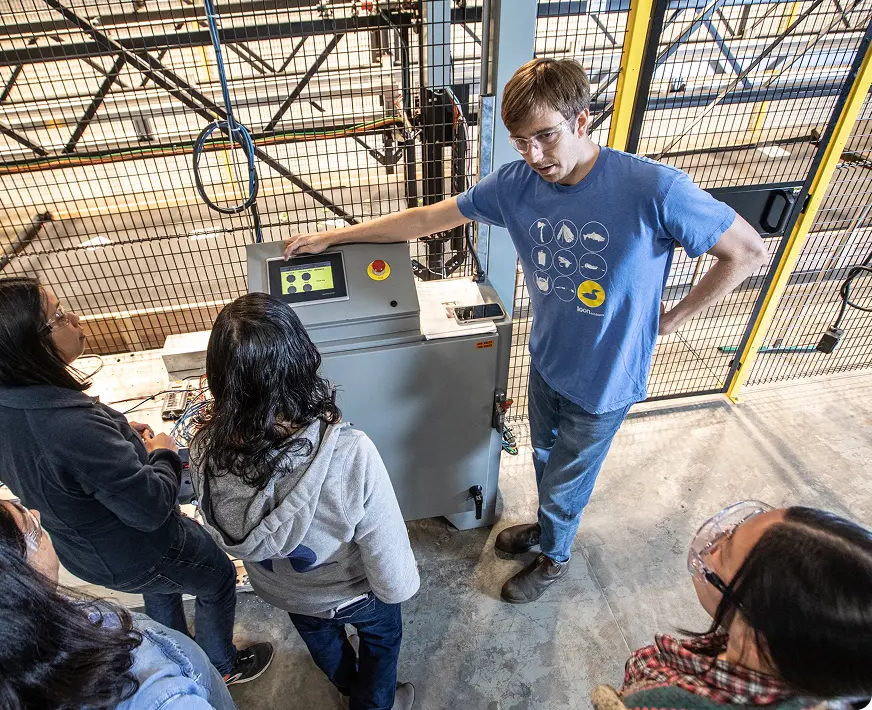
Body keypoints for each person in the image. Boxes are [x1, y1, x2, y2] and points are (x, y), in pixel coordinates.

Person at [284, 57, 769, 603]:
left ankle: (555, 557)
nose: (535, 156)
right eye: (521, 142)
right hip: (547, 361)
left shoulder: (653, 189)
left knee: (566, 482)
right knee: (543, 460)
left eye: (546, 136)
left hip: (606, 378)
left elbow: (747, 251)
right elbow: (428, 219)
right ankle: (548, 528)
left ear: (582, 121)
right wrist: (338, 236)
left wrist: (671, 319)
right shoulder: (517, 184)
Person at [0, 277, 273, 684]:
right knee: (218, 578)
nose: (74, 318)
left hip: (88, 547)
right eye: (58, 316)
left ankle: (178, 655)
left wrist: (116, 431)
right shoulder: (70, 429)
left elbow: (61, 462)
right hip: (140, 545)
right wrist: (163, 451)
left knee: (160, 586)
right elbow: (151, 508)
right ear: (32, 344)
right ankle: (222, 667)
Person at [190, 293, 420, 710]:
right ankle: (374, 703)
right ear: (300, 361)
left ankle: (346, 685)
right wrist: (396, 591)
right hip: (353, 592)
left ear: (218, 376)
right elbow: (385, 547)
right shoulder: (349, 453)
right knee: (382, 641)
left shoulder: (205, 449)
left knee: (321, 639)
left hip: (284, 590)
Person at [0, 474, 238, 710]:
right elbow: (150, 505)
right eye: (31, 528)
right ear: (6, 589)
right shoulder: (151, 694)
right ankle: (225, 667)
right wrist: (162, 458)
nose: (37, 514)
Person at [591, 500, 872, 710]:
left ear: (754, 638)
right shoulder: (830, 673)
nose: (713, 541)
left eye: (723, 552)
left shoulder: (658, 702)